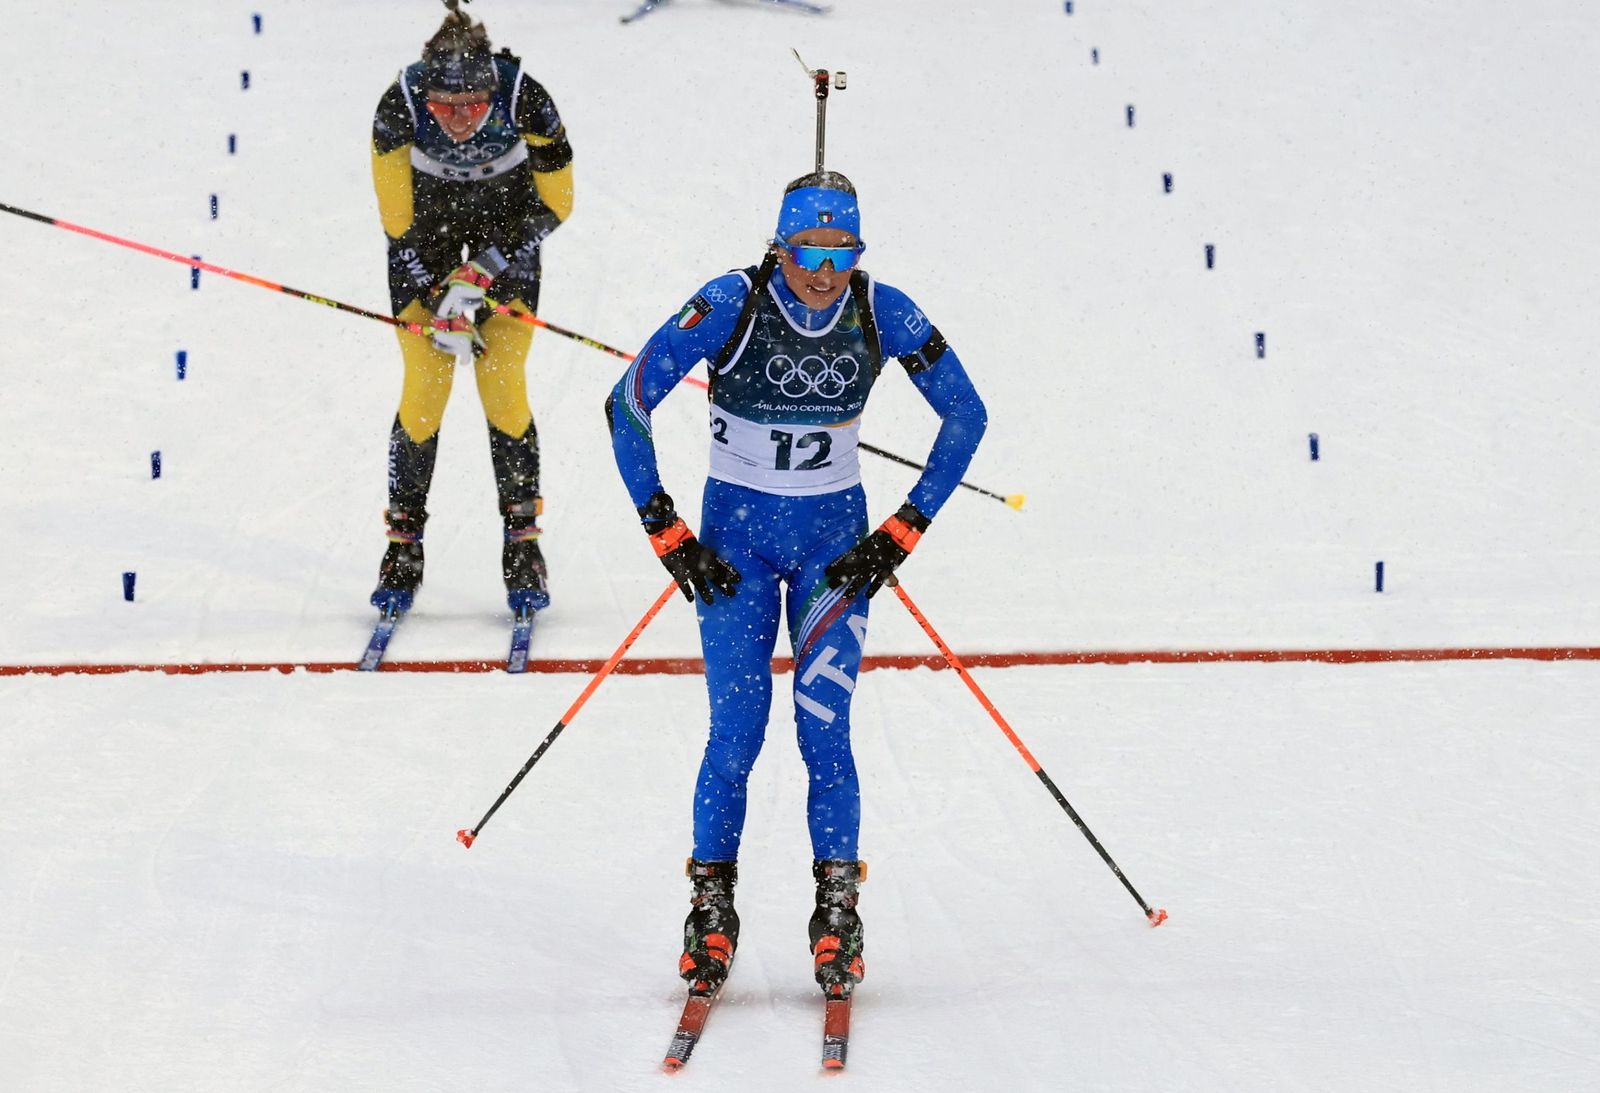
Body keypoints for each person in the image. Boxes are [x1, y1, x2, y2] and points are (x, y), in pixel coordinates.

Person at [605, 170, 987, 1001]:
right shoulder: (730, 301)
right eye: (809, 249)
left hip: (833, 554)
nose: (824, 269)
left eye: (841, 250)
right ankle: (711, 910)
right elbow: (625, 402)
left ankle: (837, 914)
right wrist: (665, 528)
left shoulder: (882, 310)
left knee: (826, 735)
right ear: (780, 244)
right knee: (735, 733)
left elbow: (968, 414)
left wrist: (902, 529)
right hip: (734, 555)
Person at [368, 0, 573, 614]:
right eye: (444, 107)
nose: (458, 120)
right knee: (424, 392)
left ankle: (522, 545)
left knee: (503, 386)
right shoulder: (397, 104)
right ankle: (403, 547)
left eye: (473, 106)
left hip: (507, 233)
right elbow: (396, 222)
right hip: (425, 240)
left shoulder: (526, 98)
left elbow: (556, 204)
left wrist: (484, 270)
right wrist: (437, 296)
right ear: (424, 95)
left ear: (492, 92)